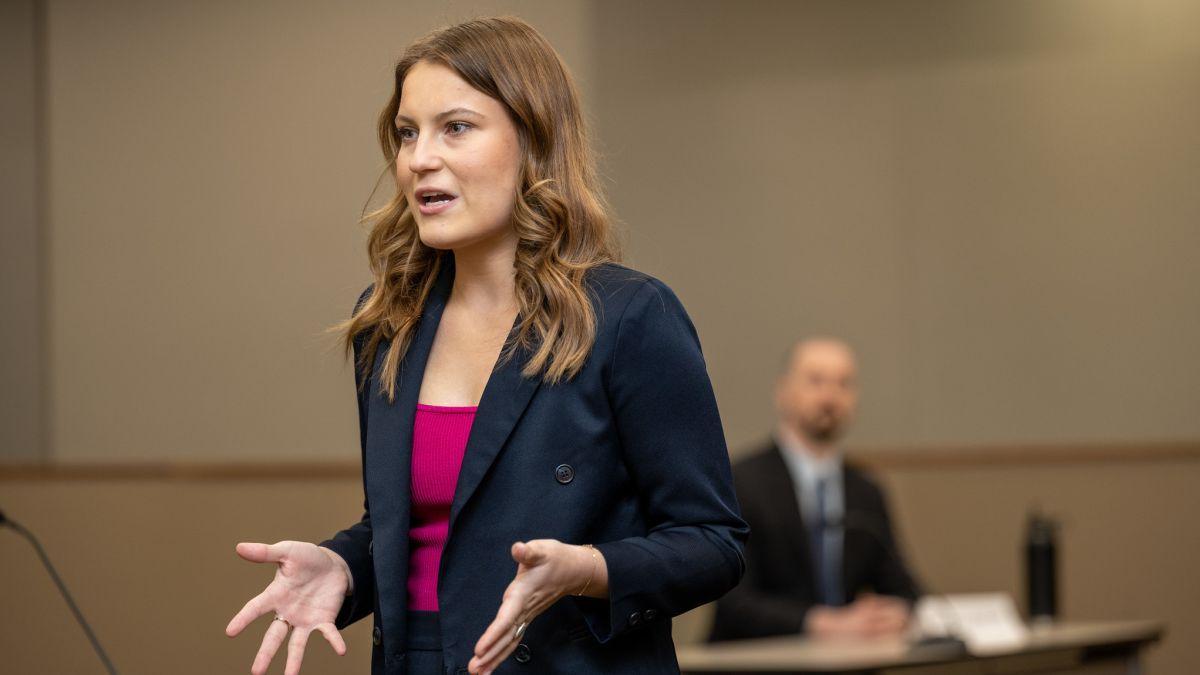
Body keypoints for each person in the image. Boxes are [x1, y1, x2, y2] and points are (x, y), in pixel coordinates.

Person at [224, 17, 747, 675]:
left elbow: (713, 543)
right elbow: (422, 530)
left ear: (532, 141)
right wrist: (345, 567)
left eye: (457, 128)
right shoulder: (386, 324)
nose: (419, 158)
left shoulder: (627, 318)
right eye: (408, 133)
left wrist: (590, 567)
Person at [709, 338, 919, 642]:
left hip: (846, 661)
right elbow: (732, 600)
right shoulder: (740, 482)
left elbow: (903, 587)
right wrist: (822, 623)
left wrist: (897, 613)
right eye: (815, 381)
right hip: (755, 661)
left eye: (844, 384)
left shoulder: (866, 490)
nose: (830, 397)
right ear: (783, 392)